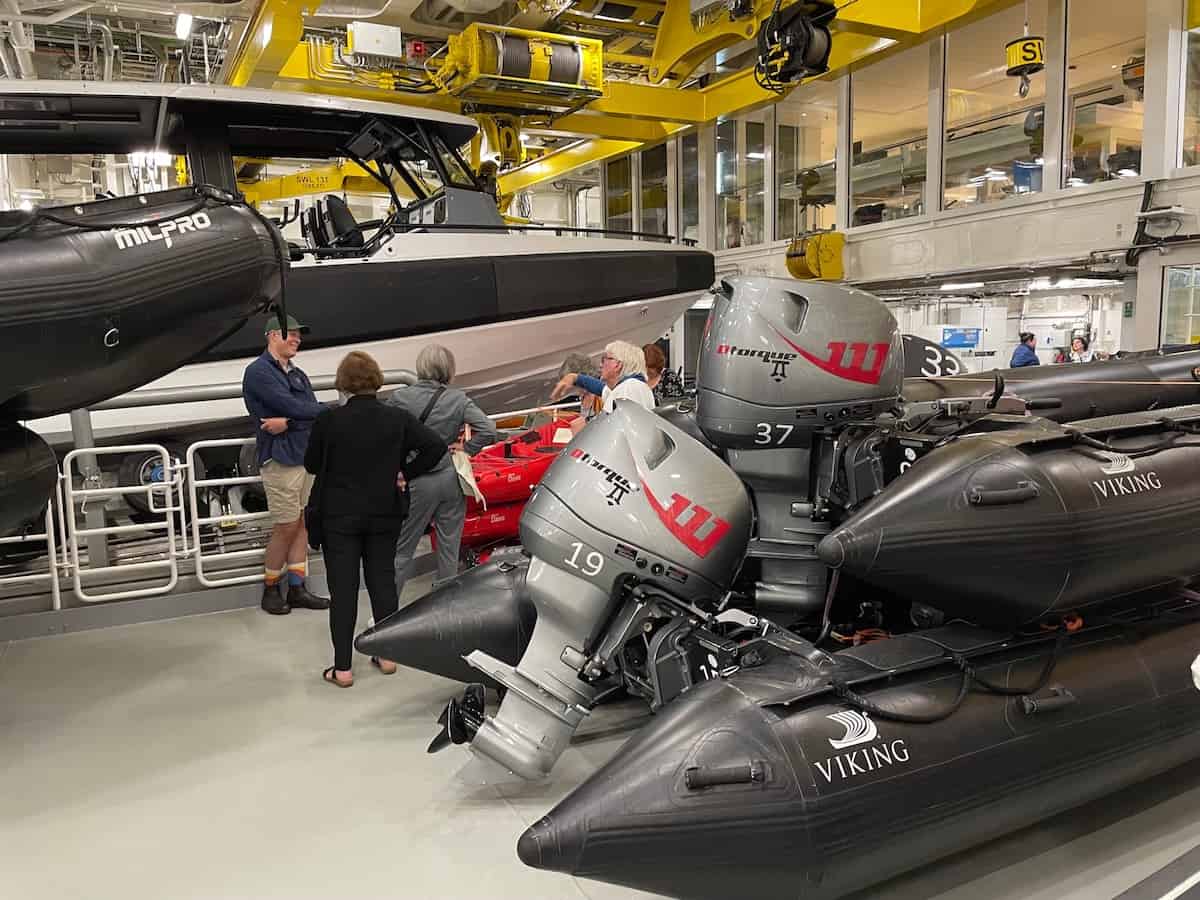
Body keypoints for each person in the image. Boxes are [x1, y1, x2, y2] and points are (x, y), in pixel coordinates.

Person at [305, 351, 446, 688]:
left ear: (343, 383)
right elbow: (435, 447)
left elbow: (311, 464)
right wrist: (404, 472)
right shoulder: (396, 418)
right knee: (383, 582)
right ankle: (387, 656)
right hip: (385, 511)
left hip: (340, 516)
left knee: (344, 590)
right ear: (375, 380)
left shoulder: (328, 421)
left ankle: (342, 669)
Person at [383, 344, 500, 592]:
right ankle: (446, 604)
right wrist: (466, 449)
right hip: (450, 478)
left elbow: (384, 435)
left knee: (402, 547)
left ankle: (386, 610)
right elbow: (488, 430)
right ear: (448, 369)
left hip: (417, 480)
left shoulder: (400, 398)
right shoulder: (457, 399)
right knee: (449, 547)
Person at [242, 313, 330, 615]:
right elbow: (296, 406)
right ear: (271, 336)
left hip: (303, 457)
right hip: (280, 460)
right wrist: (303, 415)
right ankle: (270, 589)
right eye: (290, 334)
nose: (297, 339)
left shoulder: (297, 373)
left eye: (298, 334)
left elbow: (309, 413)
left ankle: (296, 589)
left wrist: (290, 422)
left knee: (302, 522)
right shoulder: (258, 373)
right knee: (286, 525)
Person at [549, 340, 656, 421]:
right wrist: (575, 378)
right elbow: (601, 388)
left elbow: (614, 429)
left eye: (604, 359)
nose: (600, 365)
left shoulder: (629, 389)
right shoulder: (633, 386)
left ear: (617, 364)